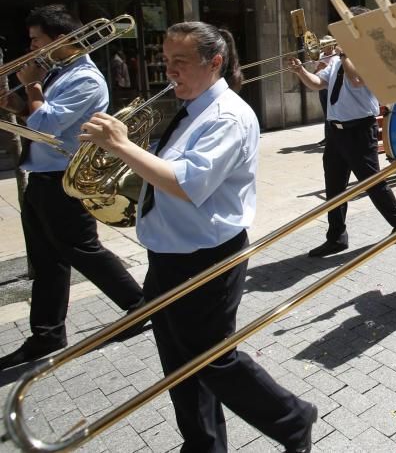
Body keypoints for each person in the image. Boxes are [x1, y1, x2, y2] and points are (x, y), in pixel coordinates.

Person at [79, 22, 317, 452]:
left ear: (215, 62)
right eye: (167, 61)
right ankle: (203, 444)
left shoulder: (227, 115)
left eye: (181, 62)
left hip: (207, 257)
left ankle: (292, 418)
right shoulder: (192, 108)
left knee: (212, 359)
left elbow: (186, 183)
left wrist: (121, 146)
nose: (170, 71)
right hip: (168, 252)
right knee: (178, 363)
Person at [0, 5, 145, 371]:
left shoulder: (85, 79)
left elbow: (47, 124)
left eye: (36, 39)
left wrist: (31, 86)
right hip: (42, 178)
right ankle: (47, 334)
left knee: (83, 250)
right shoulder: (59, 74)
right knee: (48, 262)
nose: (31, 46)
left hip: (65, 181)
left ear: (60, 40)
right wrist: (17, 104)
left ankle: (140, 304)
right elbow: (41, 119)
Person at [287, 7, 396, 257]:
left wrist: (344, 54)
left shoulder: (371, 56)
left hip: (358, 129)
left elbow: (357, 80)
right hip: (336, 131)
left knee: (372, 183)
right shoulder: (336, 60)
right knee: (334, 186)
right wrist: (301, 71)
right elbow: (318, 84)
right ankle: (336, 237)